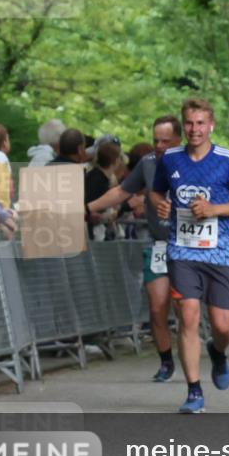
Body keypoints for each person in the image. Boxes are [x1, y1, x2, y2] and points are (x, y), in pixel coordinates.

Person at [150, 98, 229, 413]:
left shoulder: (227, 159)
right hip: (181, 250)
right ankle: (194, 391)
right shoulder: (170, 159)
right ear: (184, 126)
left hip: (219, 253)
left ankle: (218, 352)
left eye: (200, 123)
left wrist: (213, 210)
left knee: (223, 327)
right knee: (188, 315)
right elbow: (156, 191)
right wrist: (161, 204)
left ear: (211, 125)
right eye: (189, 123)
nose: (194, 129)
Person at [87, 115, 184, 382]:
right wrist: (87, 208)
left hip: (189, 245)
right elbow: (121, 192)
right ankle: (166, 361)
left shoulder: (194, 163)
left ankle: (201, 350)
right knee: (156, 307)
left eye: (166, 141)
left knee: (185, 308)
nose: (160, 146)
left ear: (179, 139)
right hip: (159, 245)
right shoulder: (148, 163)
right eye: (156, 140)